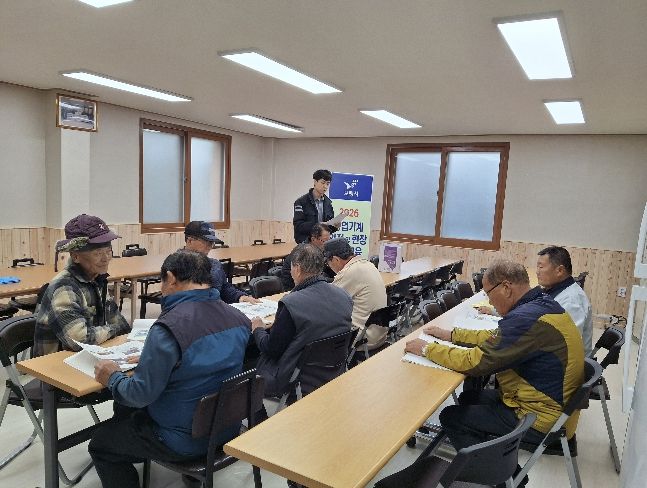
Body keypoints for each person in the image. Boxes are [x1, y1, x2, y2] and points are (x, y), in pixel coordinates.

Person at [400, 260, 584, 487]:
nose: (488, 301)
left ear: (506, 287)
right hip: (549, 404)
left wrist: (427, 349)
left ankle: (501, 476)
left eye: (488, 293)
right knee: (469, 397)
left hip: (538, 417)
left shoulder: (525, 318)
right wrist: (452, 335)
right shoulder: (540, 305)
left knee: (451, 417)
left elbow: (477, 362)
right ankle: (498, 459)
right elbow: (497, 337)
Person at [88, 250, 251, 488]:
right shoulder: (239, 318)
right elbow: (205, 357)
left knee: (102, 443)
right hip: (227, 427)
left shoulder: (168, 328)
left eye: (161, 281)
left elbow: (139, 394)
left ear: (171, 278)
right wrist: (156, 357)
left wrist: (111, 377)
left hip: (183, 440)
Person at [252, 243, 352, 397]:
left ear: (297, 269)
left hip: (295, 377)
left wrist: (258, 329)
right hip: (333, 370)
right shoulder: (344, 296)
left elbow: (272, 349)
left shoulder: (291, 303)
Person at [35, 214, 130, 356]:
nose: (105, 259)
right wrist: (113, 329)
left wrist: (118, 330)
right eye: (97, 253)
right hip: (57, 363)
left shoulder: (96, 279)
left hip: (88, 355)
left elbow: (121, 324)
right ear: (75, 256)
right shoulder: (64, 287)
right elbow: (80, 340)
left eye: (108, 252)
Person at [324, 237, 388, 350]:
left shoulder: (349, 272)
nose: (329, 267)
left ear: (335, 259)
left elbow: (327, 300)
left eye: (328, 263)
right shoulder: (368, 265)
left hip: (363, 339)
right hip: (379, 335)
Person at [184, 220, 259, 304]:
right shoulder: (177, 267)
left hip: (217, 309)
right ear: (190, 241)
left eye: (211, 243)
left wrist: (240, 297)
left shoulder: (215, 265)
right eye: (206, 242)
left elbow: (224, 288)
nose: (209, 247)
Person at [537, 246, 593, 356]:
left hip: (564, 362)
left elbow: (566, 343)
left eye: (541, 267)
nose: (537, 272)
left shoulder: (572, 301)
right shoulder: (555, 289)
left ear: (559, 271)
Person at [281, 223, 334, 290]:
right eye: (324, 241)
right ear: (313, 239)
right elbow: (311, 277)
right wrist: (333, 280)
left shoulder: (321, 248)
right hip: (294, 287)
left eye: (329, 240)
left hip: (311, 284)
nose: (327, 244)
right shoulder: (303, 252)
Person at [293, 169, 337, 244]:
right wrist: (317, 225)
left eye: (328, 184)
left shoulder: (328, 203)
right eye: (323, 182)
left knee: (342, 242)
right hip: (307, 241)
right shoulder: (301, 202)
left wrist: (335, 226)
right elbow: (298, 226)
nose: (325, 186)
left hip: (323, 241)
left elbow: (329, 227)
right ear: (315, 182)